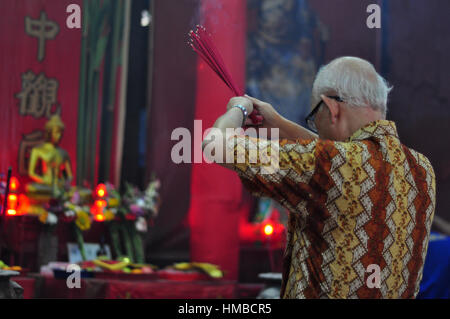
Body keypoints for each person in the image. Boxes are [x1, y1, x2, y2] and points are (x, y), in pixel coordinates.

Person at [202, 56, 436, 298]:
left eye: (314, 117)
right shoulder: (422, 169)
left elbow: (216, 145)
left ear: (332, 108)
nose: (316, 127)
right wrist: (280, 123)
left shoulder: (332, 163)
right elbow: (346, 163)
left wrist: (239, 108)